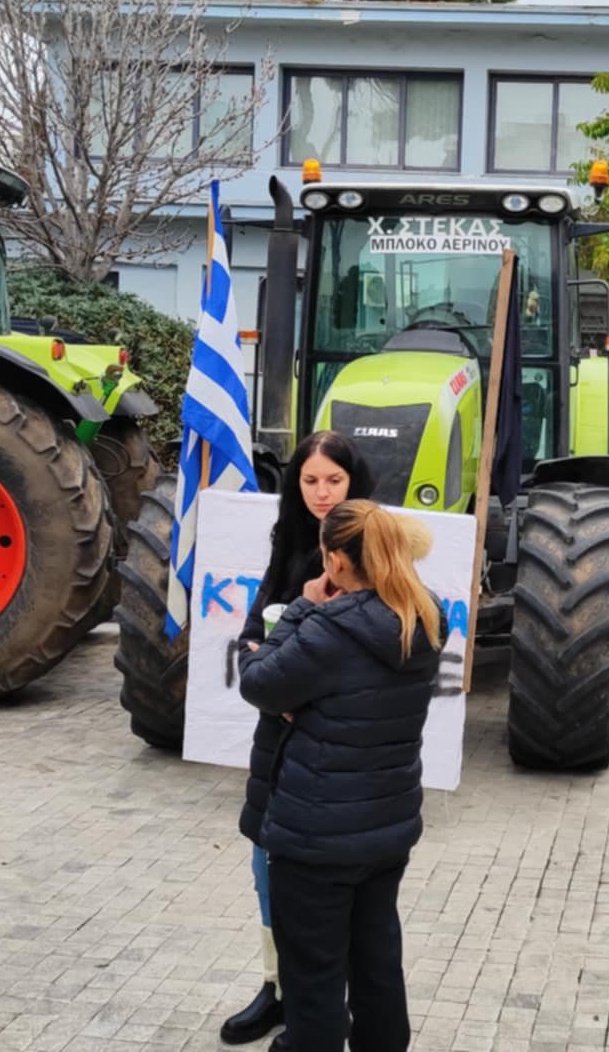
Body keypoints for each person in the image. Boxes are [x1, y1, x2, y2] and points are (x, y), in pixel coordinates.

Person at [239, 499, 443, 1052]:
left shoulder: (327, 629)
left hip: (315, 838)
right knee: (377, 961)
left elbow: (259, 683)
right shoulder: (423, 616)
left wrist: (300, 612)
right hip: (386, 829)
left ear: (335, 561)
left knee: (314, 979)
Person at [225, 431, 374, 1048]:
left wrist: (286, 677)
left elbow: (365, 651)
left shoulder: (369, 541)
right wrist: (257, 653)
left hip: (328, 747)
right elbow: (253, 627)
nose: (320, 493)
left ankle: (317, 1001)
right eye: (310, 481)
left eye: (332, 481)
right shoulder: (288, 535)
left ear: (352, 483)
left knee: (314, 888)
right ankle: (277, 987)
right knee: (264, 863)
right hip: (277, 735)